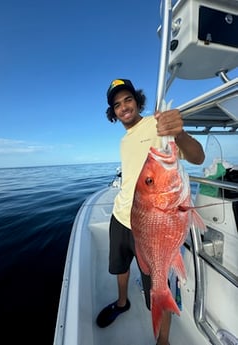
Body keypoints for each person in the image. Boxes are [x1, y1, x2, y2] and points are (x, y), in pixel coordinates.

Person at [96, 79, 205, 345]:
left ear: (137, 101)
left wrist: (178, 133)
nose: (124, 107)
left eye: (128, 100)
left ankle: (163, 340)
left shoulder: (156, 125)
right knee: (119, 266)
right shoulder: (124, 140)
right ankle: (122, 302)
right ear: (113, 112)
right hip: (122, 216)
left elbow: (198, 157)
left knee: (157, 281)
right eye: (117, 104)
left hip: (152, 221)